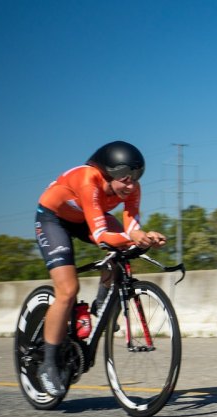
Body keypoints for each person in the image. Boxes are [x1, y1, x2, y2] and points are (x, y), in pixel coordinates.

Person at [34, 140, 167, 396]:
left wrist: (143, 236)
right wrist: (134, 237)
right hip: (53, 218)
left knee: (124, 253)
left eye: (137, 177)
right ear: (109, 172)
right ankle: (48, 365)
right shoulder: (89, 180)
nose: (132, 184)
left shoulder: (132, 189)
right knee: (68, 289)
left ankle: (102, 304)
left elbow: (131, 227)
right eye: (126, 178)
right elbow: (101, 235)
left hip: (84, 217)